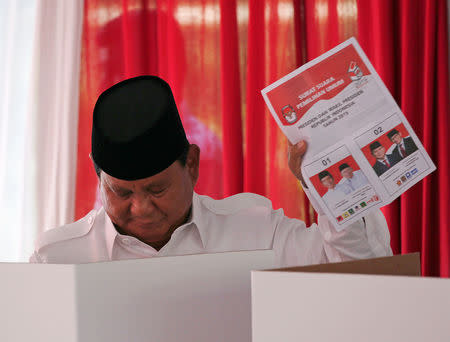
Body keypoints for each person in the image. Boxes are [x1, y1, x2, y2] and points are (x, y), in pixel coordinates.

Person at [30, 76, 392, 266]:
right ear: (99, 176)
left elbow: (357, 273)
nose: (139, 208)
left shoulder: (257, 232)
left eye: (156, 190)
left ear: (191, 164)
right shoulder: (57, 259)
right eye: (121, 192)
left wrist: (333, 184)